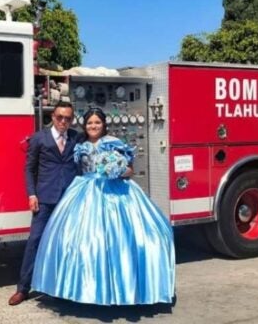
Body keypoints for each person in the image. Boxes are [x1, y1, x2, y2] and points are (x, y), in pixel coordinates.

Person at [31, 108, 175, 306]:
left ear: (104, 124)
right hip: (84, 191)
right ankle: (80, 288)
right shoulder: (79, 144)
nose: (93, 126)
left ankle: (120, 288)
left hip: (114, 193)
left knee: (120, 241)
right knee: (78, 241)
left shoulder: (113, 143)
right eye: (90, 123)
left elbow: (130, 170)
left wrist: (116, 170)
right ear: (84, 125)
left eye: (97, 122)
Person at [8, 101, 79, 306]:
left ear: (72, 119)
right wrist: (32, 194)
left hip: (68, 200)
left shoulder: (76, 137)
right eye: (60, 117)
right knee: (35, 242)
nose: (63, 121)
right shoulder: (39, 138)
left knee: (66, 244)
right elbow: (29, 169)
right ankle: (23, 289)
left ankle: (62, 288)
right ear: (52, 117)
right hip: (45, 200)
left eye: (68, 118)